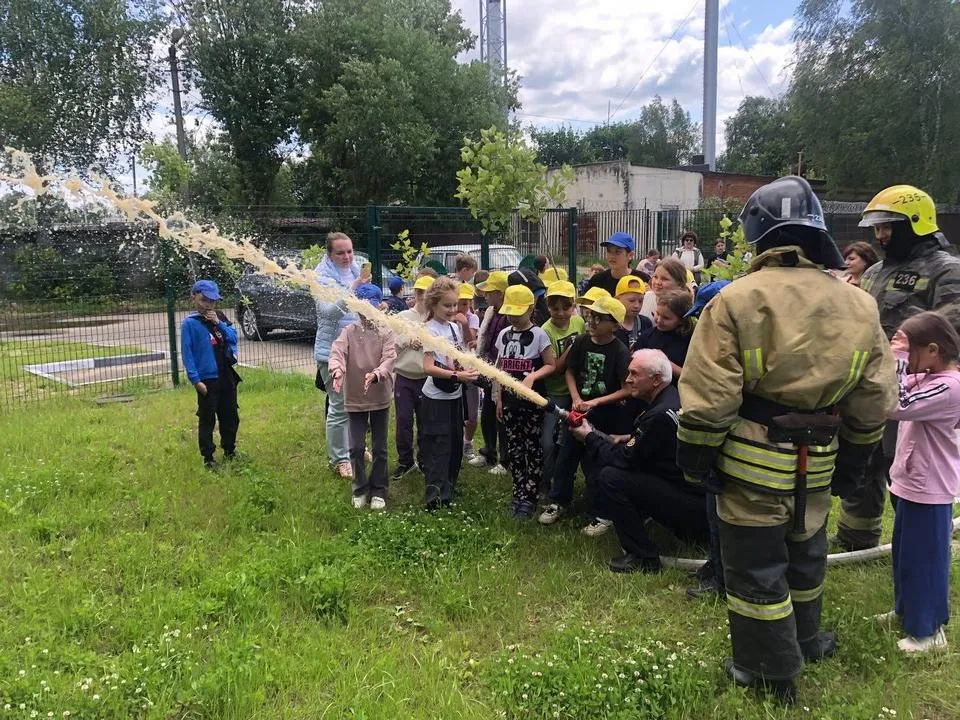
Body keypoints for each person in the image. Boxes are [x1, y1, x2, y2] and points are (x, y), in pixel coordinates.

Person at [676, 176, 896, 703]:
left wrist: (694, 460)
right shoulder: (860, 304)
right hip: (819, 461)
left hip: (751, 464)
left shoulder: (735, 300)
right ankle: (807, 639)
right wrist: (855, 461)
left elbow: (709, 397)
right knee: (805, 556)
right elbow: (874, 397)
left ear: (758, 235)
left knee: (755, 571)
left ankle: (771, 671)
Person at [836, 185, 960, 551]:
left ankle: (915, 543)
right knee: (862, 459)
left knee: (903, 465)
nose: (881, 234)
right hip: (871, 382)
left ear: (917, 222)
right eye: (877, 227)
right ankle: (856, 538)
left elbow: (951, 334)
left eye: (889, 226)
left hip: (917, 392)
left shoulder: (947, 271)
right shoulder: (875, 271)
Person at [572, 349, 707, 573]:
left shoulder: (658, 416)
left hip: (692, 509)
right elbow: (654, 446)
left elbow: (623, 460)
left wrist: (589, 436)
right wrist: (631, 438)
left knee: (611, 477)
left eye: (635, 374)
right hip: (698, 498)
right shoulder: (673, 396)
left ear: (655, 380)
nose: (627, 380)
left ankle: (643, 556)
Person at [880, 312, 960, 653]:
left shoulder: (949, 386)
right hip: (913, 481)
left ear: (932, 349)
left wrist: (896, 359)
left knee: (927, 559)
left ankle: (929, 631)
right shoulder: (928, 376)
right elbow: (893, 388)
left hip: (931, 487)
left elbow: (894, 404)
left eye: (909, 351)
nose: (905, 359)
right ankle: (907, 610)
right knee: (906, 554)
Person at [539, 295, 632, 531]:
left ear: (614, 325)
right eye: (590, 316)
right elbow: (570, 372)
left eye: (598, 319)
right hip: (577, 414)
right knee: (565, 459)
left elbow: (627, 389)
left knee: (596, 465)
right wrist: (577, 398)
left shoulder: (620, 351)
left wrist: (596, 402)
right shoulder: (580, 342)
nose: (591, 321)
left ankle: (602, 513)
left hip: (604, 418)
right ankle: (559, 501)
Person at [328, 284, 397, 510]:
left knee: (380, 447)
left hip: (379, 394)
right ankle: (359, 488)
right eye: (361, 309)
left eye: (371, 309)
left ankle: (379, 490)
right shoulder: (349, 331)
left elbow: (389, 359)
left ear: (380, 308)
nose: (366, 314)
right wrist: (337, 369)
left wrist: (377, 374)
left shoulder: (386, 332)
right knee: (356, 447)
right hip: (355, 396)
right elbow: (337, 352)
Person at [494, 285, 556, 518]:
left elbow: (551, 364)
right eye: (509, 312)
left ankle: (530, 494)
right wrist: (498, 398)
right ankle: (518, 491)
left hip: (532, 403)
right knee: (514, 448)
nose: (513, 316)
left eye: (518, 312)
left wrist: (533, 376)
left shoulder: (540, 334)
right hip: (510, 403)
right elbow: (500, 370)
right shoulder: (503, 335)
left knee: (532, 447)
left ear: (531, 308)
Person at [420, 277, 480, 509]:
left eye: (455, 305)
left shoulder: (454, 327)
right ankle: (434, 497)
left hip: (454, 395)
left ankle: (449, 490)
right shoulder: (429, 330)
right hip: (436, 399)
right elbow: (428, 366)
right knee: (439, 446)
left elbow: (456, 357)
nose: (453, 310)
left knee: (455, 445)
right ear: (433, 305)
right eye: (447, 305)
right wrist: (457, 376)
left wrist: (467, 368)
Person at [314, 232, 365, 479]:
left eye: (349, 251)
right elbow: (328, 313)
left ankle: (356, 447)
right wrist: (352, 290)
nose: (346, 257)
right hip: (331, 351)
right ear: (329, 254)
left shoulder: (355, 269)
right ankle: (339, 460)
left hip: (357, 348)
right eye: (340, 252)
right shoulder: (320, 277)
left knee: (357, 403)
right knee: (338, 407)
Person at [181, 279, 241, 470]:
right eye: (203, 300)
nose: (208, 305)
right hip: (206, 380)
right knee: (207, 418)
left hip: (225, 375)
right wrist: (195, 379)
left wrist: (219, 324)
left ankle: (230, 450)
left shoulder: (220, 318)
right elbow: (187, 353)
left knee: (230, 415)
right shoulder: (190, 324)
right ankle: (208, 458)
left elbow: (233, 338)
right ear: (194, 298)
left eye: (212, 301)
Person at [539, 281, 586, 498]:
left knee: (570, 440)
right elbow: (554, 368)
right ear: (548, 307)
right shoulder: (545, 331)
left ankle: (565, 479)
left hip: (577, 390)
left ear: (573, 306)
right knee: (547, 442)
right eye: (554, 308)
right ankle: (546, 480)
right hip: (555, 392)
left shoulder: (579, 322)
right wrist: (571, 348)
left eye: (565, 307)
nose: (560, 313)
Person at [391, 274, 435, 480]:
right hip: (405, 376)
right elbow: (391, 348)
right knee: (404, 421)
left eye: (425, 293)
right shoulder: (402, 318)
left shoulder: (436, 319)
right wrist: (408, 341)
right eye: (419, 292)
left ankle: (425, 459)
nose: (421, 296)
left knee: (426, 422)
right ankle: (405, 461)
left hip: (427, 377)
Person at [472, 271, 511, 475]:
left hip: (501, 372)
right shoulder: (490, 311)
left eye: (489, 292)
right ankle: (489, 451)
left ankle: (505, 460)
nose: (484, 295)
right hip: (487, 370)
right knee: (487, 413)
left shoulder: (509, 315)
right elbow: (485, 338)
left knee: (500, 414)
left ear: (501, 293)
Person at [634, 289, 693, 381]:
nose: (659, 320)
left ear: (682, 320)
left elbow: (693, 378)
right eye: (657, 313)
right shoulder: (646, 337)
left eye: (666, 318)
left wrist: (665, 364)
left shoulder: (690, 341)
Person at [456, 283, 481, 460]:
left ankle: (467, 442)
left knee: (472, 415)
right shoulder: (446, 318)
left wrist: (464, 323)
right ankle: (456, 443)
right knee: (456, 412)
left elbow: (471, 341)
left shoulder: (472, 318)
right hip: (454, 370)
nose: (463, 307)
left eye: (466, 303)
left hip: (469, 369)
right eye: (460, 303)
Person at [583, 232, 651, 296]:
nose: (612, 256)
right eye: (609, 251)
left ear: (630, 255)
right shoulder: (597, 280)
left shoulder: (642, 279)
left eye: (617, 252)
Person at [614, 275, 652, 350]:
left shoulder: (646, 323)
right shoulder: (610, 324)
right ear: (617, 299)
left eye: (640, 301)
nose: (637, 305)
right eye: (631, 301)